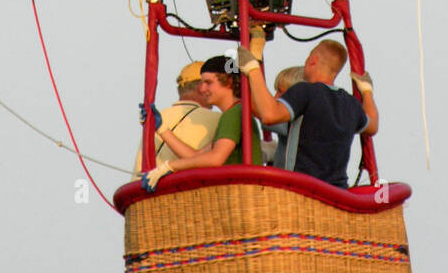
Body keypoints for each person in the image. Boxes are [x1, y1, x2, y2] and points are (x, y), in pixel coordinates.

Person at [239, 39, 378, 189]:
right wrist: (367, 91)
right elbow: (372, 126)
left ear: (312, 60)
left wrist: (252, 69)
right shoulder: (351, 104)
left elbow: (269, 114)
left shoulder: (305, 92)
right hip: (336, 194)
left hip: (301, 191)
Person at [142, 56, 262, 190]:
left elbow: (215, 158)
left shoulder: (233, 113)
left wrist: (170, 166)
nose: (202, 89)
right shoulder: (235, 112)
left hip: (242, 194)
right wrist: (162, 128)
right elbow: (195, 156)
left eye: (208, 82)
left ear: (228, 82)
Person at [131, 60, 218, 177]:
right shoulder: (218, 118)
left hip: (143, 191)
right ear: (201, 88)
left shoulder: (156, 116)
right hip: (186, 192)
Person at [266, 66, 306, 167]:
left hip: (288, 180)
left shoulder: (298, 121)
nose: (275, 97)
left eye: (281, 92)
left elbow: (266, 115)